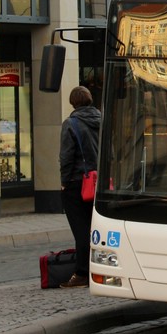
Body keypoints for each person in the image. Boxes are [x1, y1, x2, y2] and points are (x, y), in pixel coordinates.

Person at [59, 86, 101, 288]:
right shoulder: (102, 120)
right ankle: (100, 268)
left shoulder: (71, 124)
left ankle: (83, 272)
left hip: (78, 182)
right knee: (97, 228)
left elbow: (66, 156)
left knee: (81, 229)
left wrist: (64, 182)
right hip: (100, 182)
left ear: (73, 103)